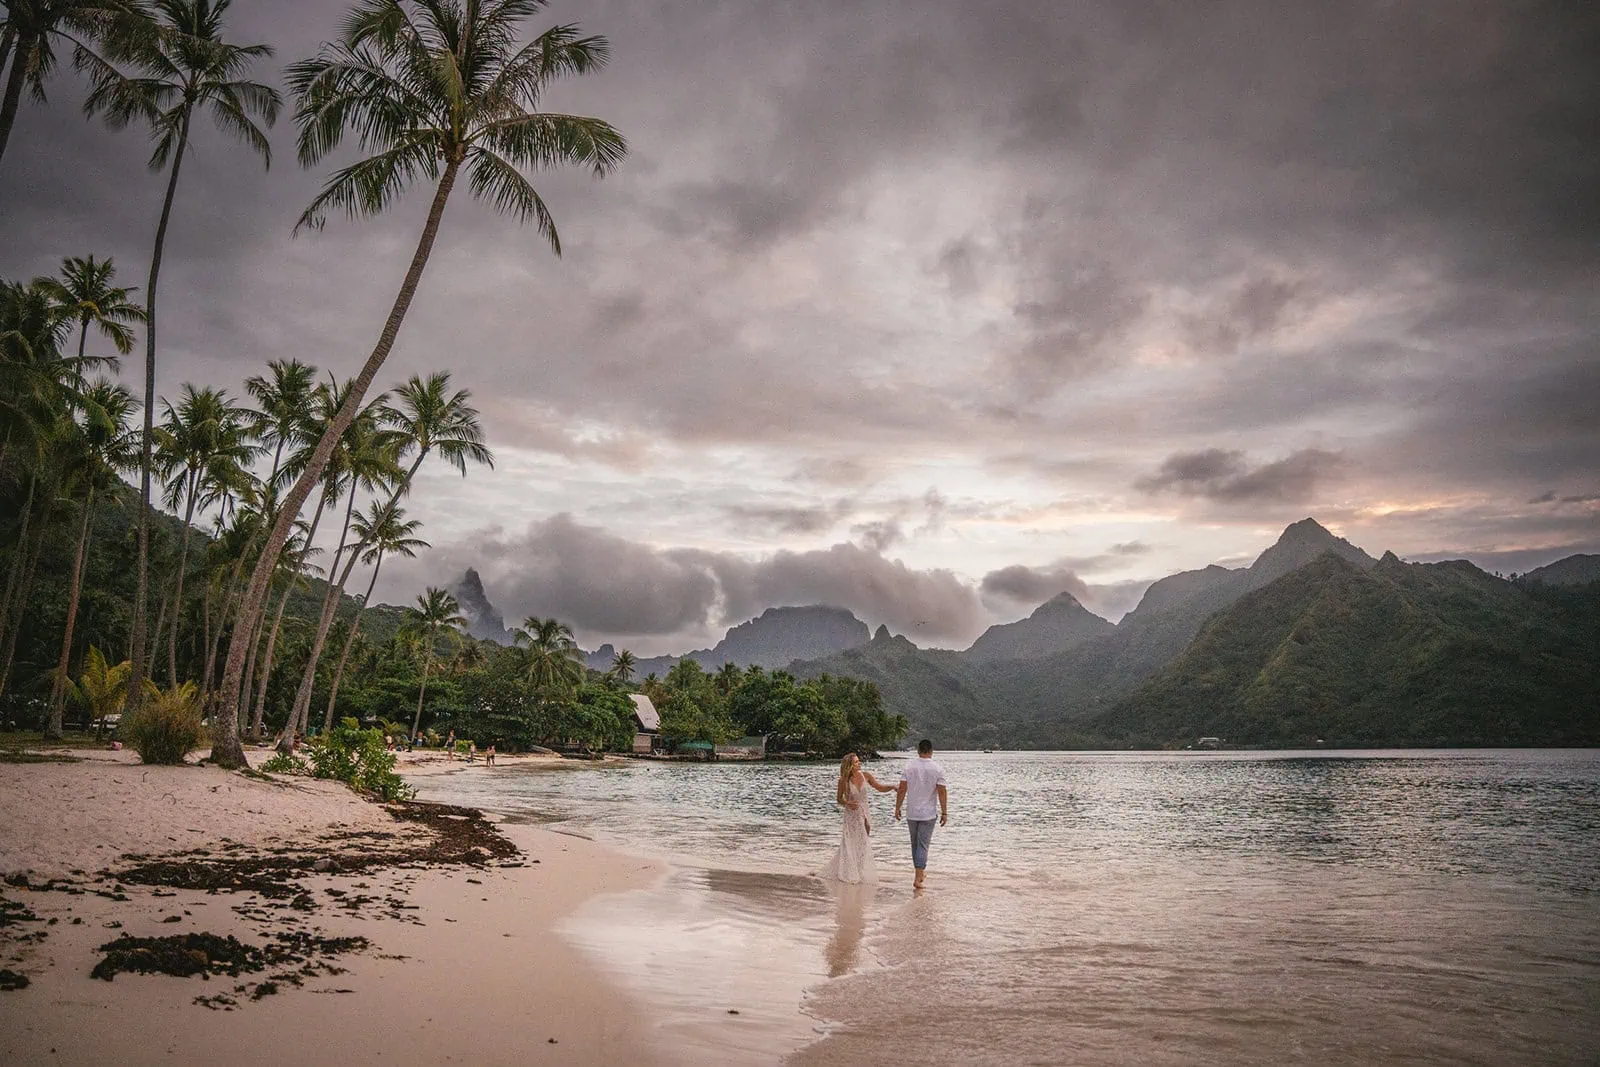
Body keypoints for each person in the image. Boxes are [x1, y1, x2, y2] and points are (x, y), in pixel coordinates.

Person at [821, 753, 894, 884]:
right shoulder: (843, 780)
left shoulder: (866, 776)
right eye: (856, 762)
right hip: (851, 814)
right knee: (849, 842)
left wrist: (892, 787)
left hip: (864, 812)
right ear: (849, 765)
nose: (859, 764)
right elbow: (839, 799)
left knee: (862, 842)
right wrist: (848, 803)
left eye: (858, 761)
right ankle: (850, 872)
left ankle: (859, 871)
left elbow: (879, 787)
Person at [894, 739, 948, 890]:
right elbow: (942, 791)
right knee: (923, 846)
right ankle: (918, 877)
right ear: (931, 751)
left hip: (912, 813)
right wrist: (944, 812)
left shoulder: (909, 766)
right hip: (928, 814)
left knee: (915, 845)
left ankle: (918, 873)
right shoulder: (937, 769)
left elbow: (902, 788)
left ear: (918, 750)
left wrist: (897, 807)